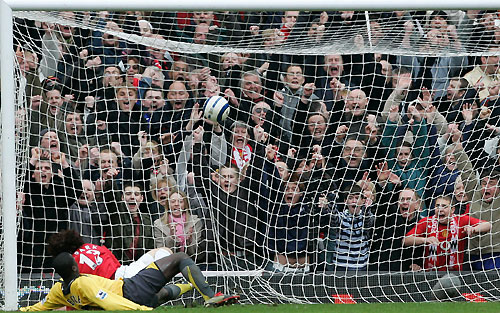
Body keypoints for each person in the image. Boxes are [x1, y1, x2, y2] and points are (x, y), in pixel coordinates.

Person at [20, 251, 240, 311]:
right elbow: (110, 302)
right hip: (131, 289)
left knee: (161, 295)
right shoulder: (83, 284)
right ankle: (210, 297)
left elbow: (41, 307)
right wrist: (138, 309)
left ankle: (193, 283)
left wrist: (20, 311)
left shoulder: (59, 291)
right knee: (179, 258)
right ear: (75, 267)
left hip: (139, 295)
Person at [404, 195, 491, 271]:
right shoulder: (426, 222)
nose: (440, 209)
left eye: (444, 206)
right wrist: (425, 239)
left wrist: (473, 229)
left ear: (452, 209)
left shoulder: (461, 220)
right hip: (431, 272)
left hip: (455, 273)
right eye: (437, 206)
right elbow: (406, 240)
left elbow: (488, 225)